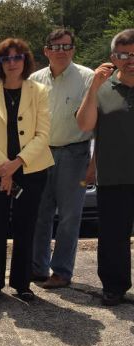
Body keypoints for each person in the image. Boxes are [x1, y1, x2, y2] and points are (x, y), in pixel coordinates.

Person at [0, 38, 53, 302]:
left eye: (17, 57)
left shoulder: (39, 91)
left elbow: (43, 135)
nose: (12, 63)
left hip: (31, 170)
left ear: (25, 60)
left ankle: (22, 283)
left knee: (25, 227)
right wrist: (3, 169)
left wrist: (15, 164)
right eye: (6, 58)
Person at [30, 29, 95, 289]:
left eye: (66, 46)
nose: (61, 51)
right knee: (40, 214)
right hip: (41, 153)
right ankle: (37, 268)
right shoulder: (34, 79)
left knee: (69, 216)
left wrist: (95, 163)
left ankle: (62, 272)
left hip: (74, 153)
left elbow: (96, 122)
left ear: (73, 49)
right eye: (55, 47)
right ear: (46, 50)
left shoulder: (88, 78)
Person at [76, 29, 134, 306]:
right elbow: (85, 125)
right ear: (113, 57)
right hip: (113, 176)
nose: (130, 60)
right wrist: (93, 87)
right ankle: (114, 287)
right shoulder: (103, 89)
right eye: (124, 55)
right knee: (113, 237)